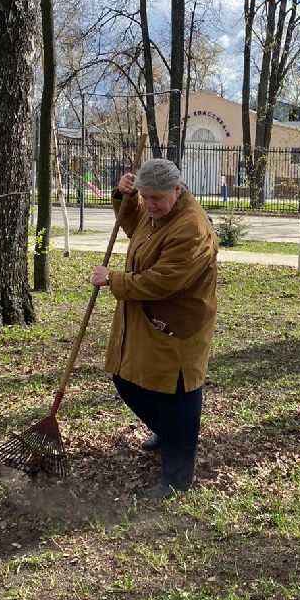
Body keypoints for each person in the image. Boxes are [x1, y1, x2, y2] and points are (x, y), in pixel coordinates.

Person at [91, 158, 218, 499]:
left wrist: (113, 280)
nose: (149, 206)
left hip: (176, 324)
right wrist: (124, 197)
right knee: (126, 378)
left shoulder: (190, 228)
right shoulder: (158, 212)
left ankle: (177, 478)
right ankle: (169, 432)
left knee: (176, 393)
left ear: (177, 190)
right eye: (144, 197)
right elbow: (135, 226)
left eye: (155, 199)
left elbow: (164, 282)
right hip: (145, 319)